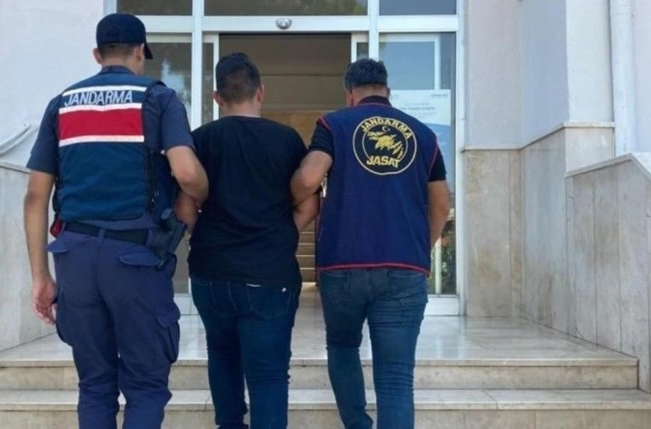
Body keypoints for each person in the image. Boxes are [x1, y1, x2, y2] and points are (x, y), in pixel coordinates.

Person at [23, 13, 208, 429]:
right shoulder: (158, 98)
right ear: (140, 52)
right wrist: (202, 192)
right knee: (145, 385)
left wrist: (40, 276)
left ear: (97, 54)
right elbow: (187, 172)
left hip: (74, 258)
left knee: (95, 385)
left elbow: (36, 196)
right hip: (135, 258)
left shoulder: (62, 104)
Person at [290, 58, 451, 429]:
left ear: (349, 93)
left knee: (343, 346)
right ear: (388, 91)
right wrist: (421, 248)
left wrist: (289, 197)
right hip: (404, 266)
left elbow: (310, 178)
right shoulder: (423, 135)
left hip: (342, 264)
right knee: (396, 376)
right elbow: (441, 203)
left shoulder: (334, 124)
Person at [176, 52, 320, 429]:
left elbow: (185, 207)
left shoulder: (200, 140)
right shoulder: (287, 140)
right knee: (268, 374)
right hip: (269, 275)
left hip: (211, 273)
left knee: (222, 358)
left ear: (216, 98)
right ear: (261, 92)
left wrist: (205, 236)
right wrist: (283, 234)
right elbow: (310, 203)